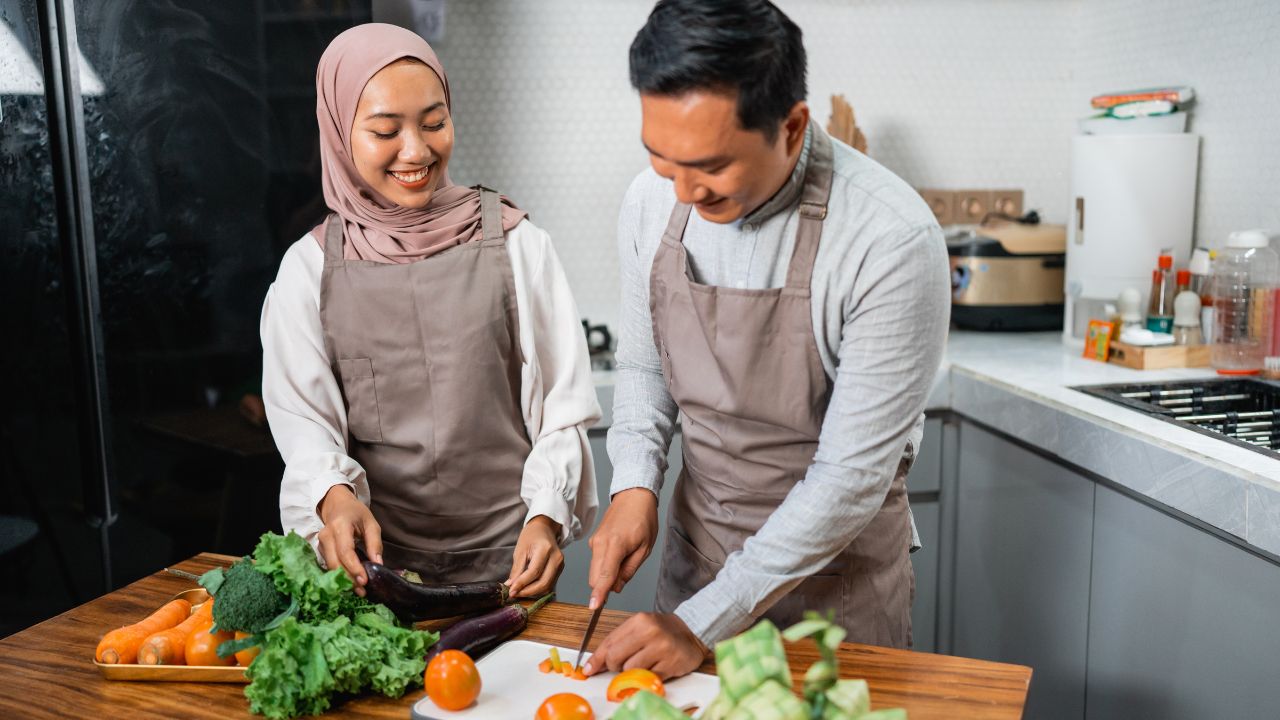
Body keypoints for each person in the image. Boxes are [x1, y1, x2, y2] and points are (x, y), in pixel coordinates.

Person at [583, 0, 950, 679]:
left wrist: (701, 624)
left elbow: (848, 479)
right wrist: (634, 483)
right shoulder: (649, 199)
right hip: (694, 574)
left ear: (792, 126)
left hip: (835, 603)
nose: (684, 192)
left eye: (711, 167)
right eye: (661, 159)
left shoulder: (891, 240)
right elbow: (642, 362)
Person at [261, 23, 600, 600]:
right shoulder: (309, 269)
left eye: (435, 123)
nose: (416, 151)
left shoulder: (518, 244)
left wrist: (547, 515)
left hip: (512, 569)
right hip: (376, 577)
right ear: (340, 133)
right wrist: (332, 495)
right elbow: (305, 424)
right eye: (385, 131)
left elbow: (563, 410)